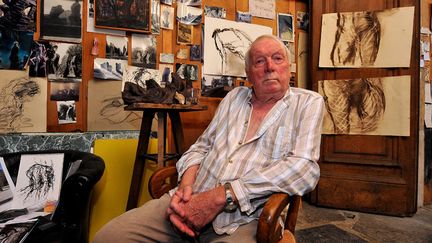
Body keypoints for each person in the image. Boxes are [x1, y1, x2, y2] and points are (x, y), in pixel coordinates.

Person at [94, 34, 324, 242]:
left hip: (245, 219)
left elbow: (304, 168)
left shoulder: (307, 103)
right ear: (248, 73)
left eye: (277, 59)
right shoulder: (234, 97)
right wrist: (185, 189)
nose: (270, 67)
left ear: (289, 69)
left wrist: (221, 196)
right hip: (189, 199)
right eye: (260, 61)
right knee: (108, 237)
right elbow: (201, 147)